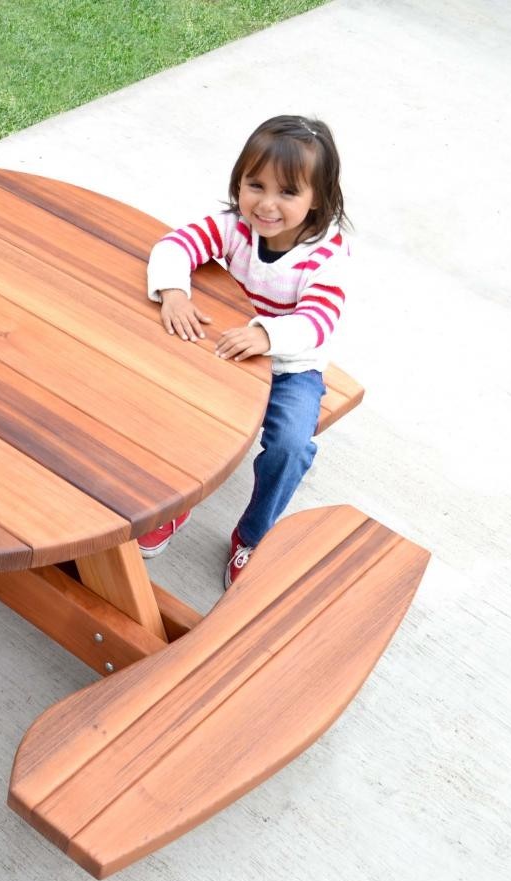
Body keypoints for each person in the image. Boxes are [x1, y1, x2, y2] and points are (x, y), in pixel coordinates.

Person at [140, 114, 350, 588]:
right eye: (255, 185)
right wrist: (173, 291)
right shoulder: (235, 227)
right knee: (179, 408)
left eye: (288, 192)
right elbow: (176, 244)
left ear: (319, 199)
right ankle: (175, 505)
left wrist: (268, 335)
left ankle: (253, 534)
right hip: (230, 351)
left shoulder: (327, 255)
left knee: (291, 446)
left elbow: (318, 320)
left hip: (290, 364)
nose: (266, 204)